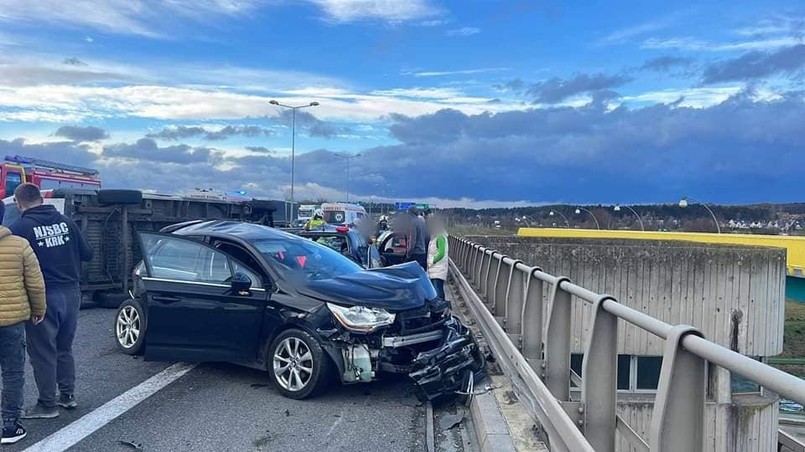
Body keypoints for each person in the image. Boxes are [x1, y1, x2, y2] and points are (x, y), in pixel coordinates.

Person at [10, 184, 93, 419]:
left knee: (43, 351)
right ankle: (67, 395)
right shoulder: (66, 222)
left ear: (19, 203)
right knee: (64, 348)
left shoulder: (20, 228)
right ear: (40, 199)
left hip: (43, 295)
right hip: (71, 292)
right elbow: (88, 253)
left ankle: (47, 405)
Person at [0, 222, 46, 445]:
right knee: (12, 373)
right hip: (11, 322)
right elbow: (36, 285)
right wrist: (38, 310)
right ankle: (10, 425)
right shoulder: (20, 245)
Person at [427, 216, 449, 301]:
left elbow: (441, 253)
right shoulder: (436, 237)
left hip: (437, 268)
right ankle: (439, 309)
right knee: (437, 289)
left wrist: (432, 260)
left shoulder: (440, 237)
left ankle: (440, 309)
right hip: (435, 268)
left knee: (437, 290)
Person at [404, 206, 428, 270]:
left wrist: (408, 254)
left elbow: (412, 240)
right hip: (422, 252)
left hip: (415, 253)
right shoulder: (421, 222)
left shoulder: (412, 223)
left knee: (410, 274)